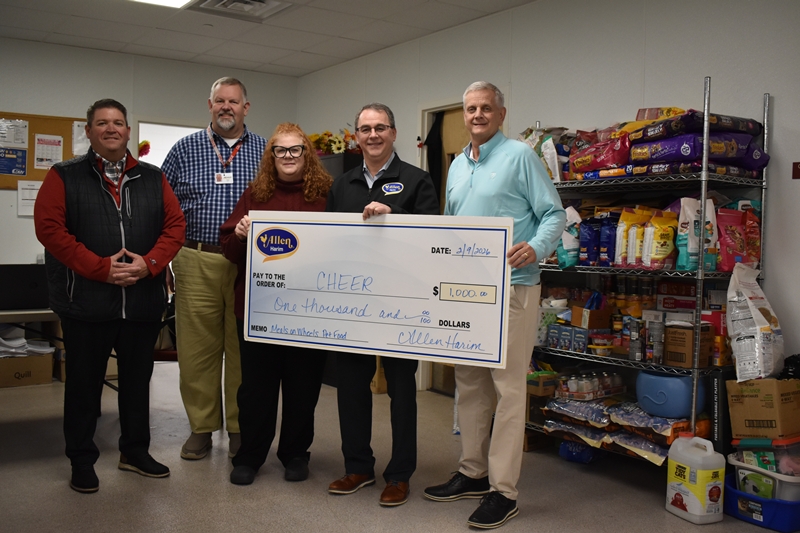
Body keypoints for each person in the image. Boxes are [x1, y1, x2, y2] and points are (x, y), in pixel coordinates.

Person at [423, 82, 566, 529]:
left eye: (486, 108)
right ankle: (472, 471)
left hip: (512, 289)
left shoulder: (520, 156)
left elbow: (555, 214)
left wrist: (536, 247)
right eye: (471, 109)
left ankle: (503, 491)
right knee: (469, 383)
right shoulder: (457, 165)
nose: (477, 115)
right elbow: (450, 226)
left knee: (508, 390)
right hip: (466, 291)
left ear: (501, 114)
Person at [33, 98, 185, 493]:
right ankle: (82, 460)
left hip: (142, 303)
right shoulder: (63, 176)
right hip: (86, 303)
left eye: (118, 122)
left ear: (128, 131)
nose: (111, 129)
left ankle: (134, 452)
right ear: (89, 131)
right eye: (102, 123)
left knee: (136, 385)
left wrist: (149, 264)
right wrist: (101, 268)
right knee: (83, 387)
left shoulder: (153, 177)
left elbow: (175, 227)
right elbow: (50, 230)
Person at [326, 103, 439, 507]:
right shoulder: (342, 185)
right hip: (354, 304)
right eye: (365, 129)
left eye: (380, 128)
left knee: (402, 391)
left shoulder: (416, 180)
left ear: (393, 132)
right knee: (351, 388)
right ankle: (357, 467)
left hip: (400, 304)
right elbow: (329, 239)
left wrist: (396, 215)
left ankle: (400, 475)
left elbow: (433, 238)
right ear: (356, 136)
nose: (372, 135)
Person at [219, 123, 332, 486]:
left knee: (303, 386)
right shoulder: (255, 194)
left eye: (295, 149)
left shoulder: (327, 195)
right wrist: (240, 235)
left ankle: (295, 454)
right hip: (260, 310)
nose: (288, 156)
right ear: (271, 156)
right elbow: (230, 251)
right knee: (256, 388)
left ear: (307, 154)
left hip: (309, 311)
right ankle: (250, 455)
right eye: (280, 150)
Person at [162, 77, 267, 460]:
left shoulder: (266, 150)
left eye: (233, 102)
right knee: (197, 350)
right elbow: (162, 207)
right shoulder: (184, 149)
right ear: (210, 105)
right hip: (195, 258)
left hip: (249, 263)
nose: (226, 107)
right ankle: (201, 427)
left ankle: (239, 429)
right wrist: (162, 259)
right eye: (220, 101)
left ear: (245, 107)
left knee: (243, 350)